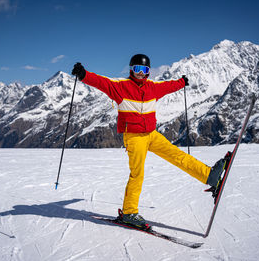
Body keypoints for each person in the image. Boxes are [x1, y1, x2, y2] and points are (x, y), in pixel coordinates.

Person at [72, 54, 226, 229]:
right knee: (137, 174)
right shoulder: (121, 88)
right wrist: (84, 75)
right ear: (131, 69)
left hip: (152, 135)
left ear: (148, 72)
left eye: (144, 70)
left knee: (177, 155)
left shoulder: (153, 88)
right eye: (137, 69)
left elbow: (168, 86)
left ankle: (209, 176)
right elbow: (101, 82)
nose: (140, 73)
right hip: (134, 137)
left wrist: (181, 82)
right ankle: (129, 213)